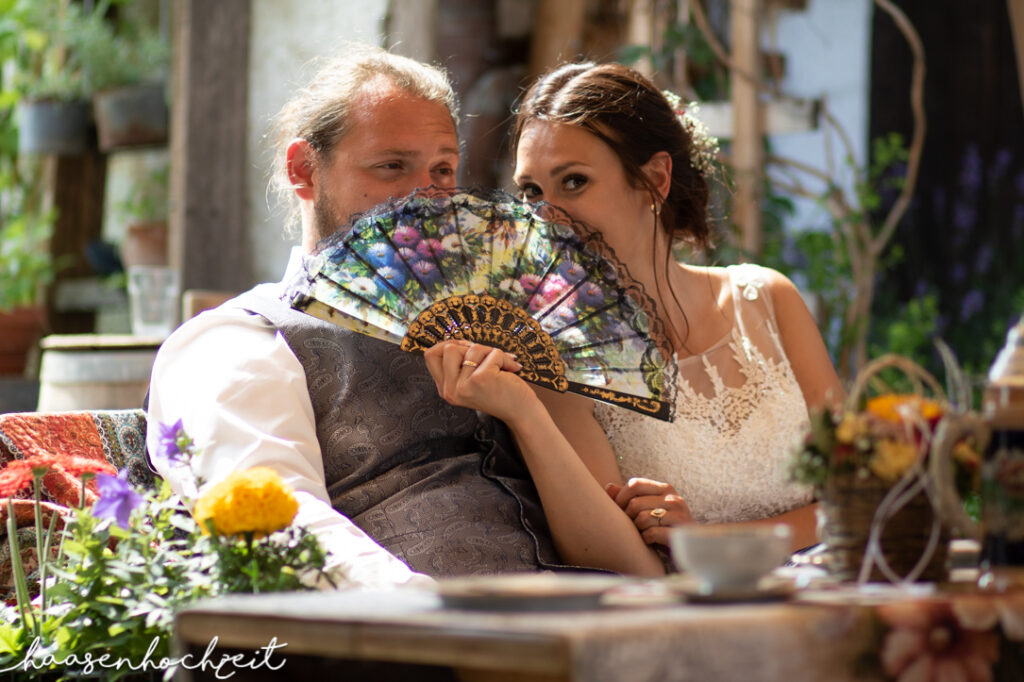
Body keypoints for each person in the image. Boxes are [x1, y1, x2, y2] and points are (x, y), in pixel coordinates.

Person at [146, 47, 662, 590]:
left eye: (443, 168)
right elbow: (279, 520)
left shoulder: (514, 324)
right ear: (304, 171)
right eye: (393, 165)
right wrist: (428, 614)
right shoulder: (241, 340)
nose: (430, 193)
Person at [425, 61, 842, 554]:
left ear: (654, 179)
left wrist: (707, 543)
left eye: (574, 181)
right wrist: (523, 413)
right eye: (532, 192)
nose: (548, 217)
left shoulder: (768, 300)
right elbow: (627, 569)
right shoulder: (552, 359)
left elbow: (863, 501)